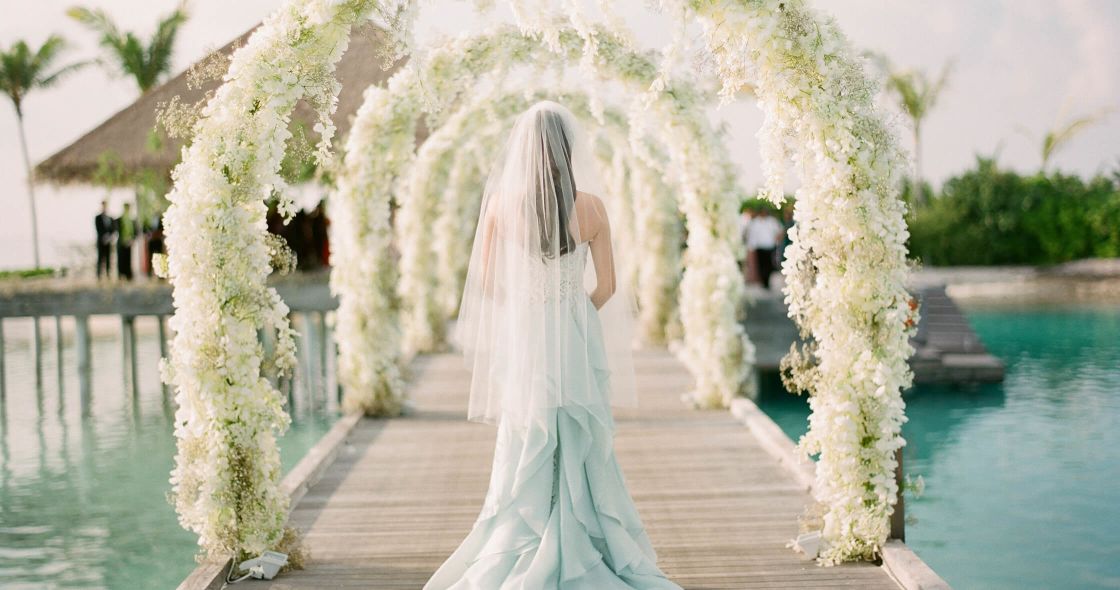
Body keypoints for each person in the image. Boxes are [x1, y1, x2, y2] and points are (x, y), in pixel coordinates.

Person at [425, 101, 682, 590]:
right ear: (569, 149)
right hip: (574, 337)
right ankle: (588, 536)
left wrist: (526, 308)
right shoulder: (592, 207)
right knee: (578, 438)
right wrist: (571, 312)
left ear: (523, 149)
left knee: (528, 432)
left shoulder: (501, 203)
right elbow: (606, 286)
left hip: (527, 340)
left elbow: (484, 280)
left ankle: (522, 538)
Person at [746, 206, 784, 289]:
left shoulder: (772, 221)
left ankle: (767, 281)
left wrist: (777, 241)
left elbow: (780, 231)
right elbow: (752, 235)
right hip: (760, 247)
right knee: (761, 265)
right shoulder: (755, 222)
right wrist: (751, 246)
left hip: (770, 247)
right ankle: (763, 281)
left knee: (769, 265)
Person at [116, 202, 137, 281]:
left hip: (129, 242)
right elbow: (118, 230)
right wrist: (123, 240)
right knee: (121, 259)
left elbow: (134, 231)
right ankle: (121, 275)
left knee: (128, 259)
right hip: (121, 242)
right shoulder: (120, 219)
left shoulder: (131, 220)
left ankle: (129, 275)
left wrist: (131, 239)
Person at [94, 200, 114, 279]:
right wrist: (103, 237)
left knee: (108, 258)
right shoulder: (97, 217)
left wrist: (109, 237)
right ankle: (99, 275)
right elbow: (98, 229)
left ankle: (108, 275)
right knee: (100, 258)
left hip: (108, 241)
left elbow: (113, 229)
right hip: (101, 241)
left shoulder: (110, 218)